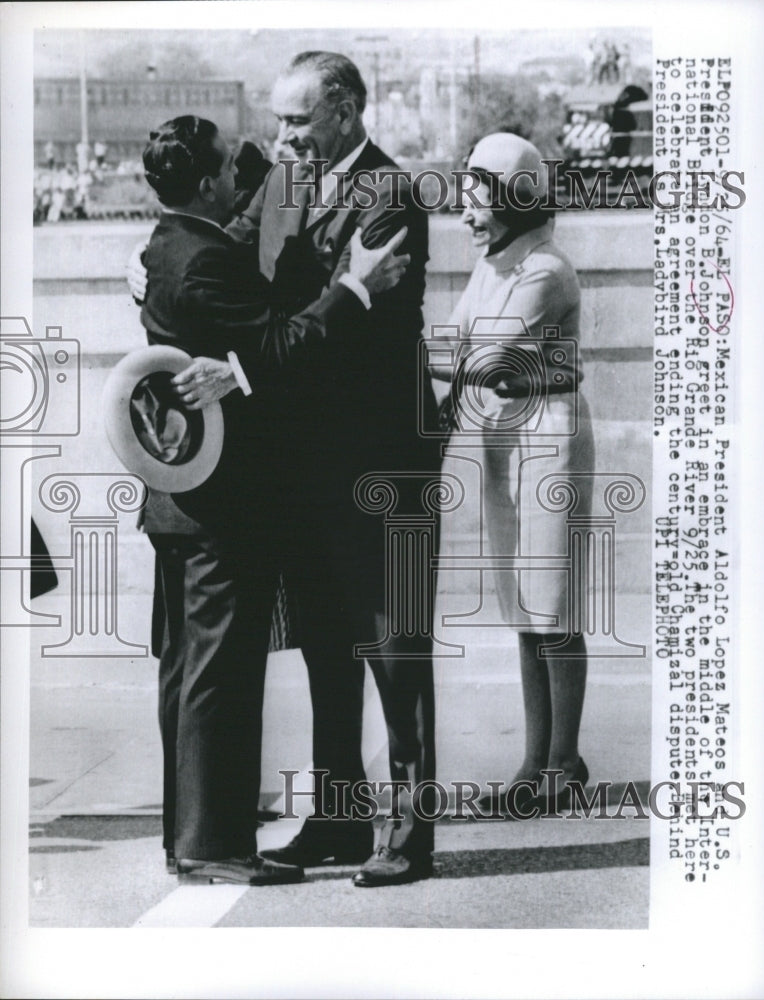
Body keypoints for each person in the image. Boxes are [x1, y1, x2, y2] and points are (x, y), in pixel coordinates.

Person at [130, 52, 440, 887]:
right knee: (327, 648)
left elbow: (362, 327)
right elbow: (214, 248)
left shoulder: (391, 193)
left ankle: (409, 830)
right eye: (278, 122)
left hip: (380, 461)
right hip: (307, 466)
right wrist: (147, 260)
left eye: (297, 122)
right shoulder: (284, 181)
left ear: (342, 111)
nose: (282, 137)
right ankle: (339, 821)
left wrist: (245, 370)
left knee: (394, 645)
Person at [429, 133, 595, 812]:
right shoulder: (496, 263)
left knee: (554, 609)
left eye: (478, 200)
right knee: (527, 612)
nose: (467, 216)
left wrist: (390, 356)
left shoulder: (545, 270)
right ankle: (536, 760)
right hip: (505, 438)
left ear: (514, 199)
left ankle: (563, 762)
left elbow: (488, 358)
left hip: (549, 438)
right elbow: (455, 342)